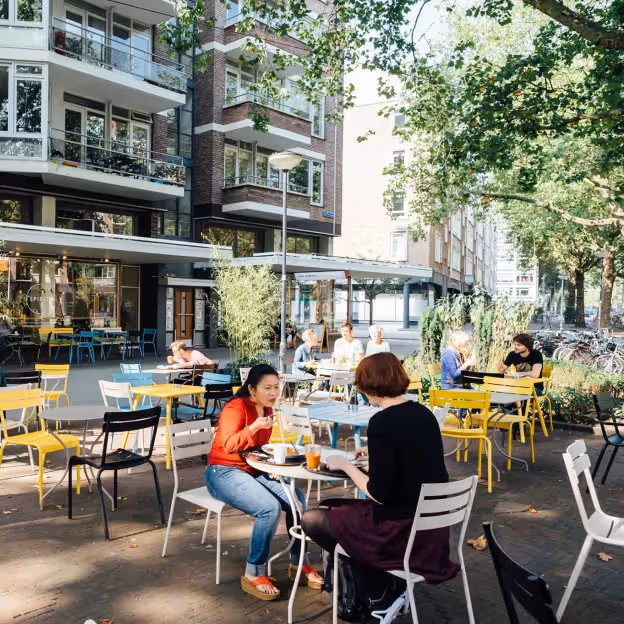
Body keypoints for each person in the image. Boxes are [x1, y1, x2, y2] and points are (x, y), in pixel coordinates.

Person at [301, 353, 459, 600]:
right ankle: (382, 586)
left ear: (371, 385)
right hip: (432, 533)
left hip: (399, 534)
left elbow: (379, 494)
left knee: (311, 519)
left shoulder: (381, 422)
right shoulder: (423, 413)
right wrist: (376, 452)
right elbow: (415, 458)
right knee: (330, 508)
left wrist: (346, 465)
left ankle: (376, 589)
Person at [205, 364, 323, 601]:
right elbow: (229, 445)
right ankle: (253, 572)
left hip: (253, 468)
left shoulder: (267, 409)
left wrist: (272, 468)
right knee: (269, 508)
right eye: (267, 388)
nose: (273, 393)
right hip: (222, 471)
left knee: (297, 499)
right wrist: (254, 427)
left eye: (276, 387)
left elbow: (259, 448)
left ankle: (299, 563)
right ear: (252, 389)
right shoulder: (236, 408)